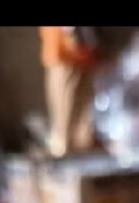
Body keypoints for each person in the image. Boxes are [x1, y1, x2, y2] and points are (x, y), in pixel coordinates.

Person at [39, 27, 100, 157]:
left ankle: (82, 143)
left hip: (84, 47)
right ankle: (62, 143)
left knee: (84, 97)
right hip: (64, 47)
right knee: (65, 86)